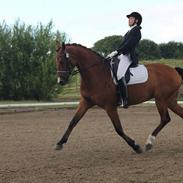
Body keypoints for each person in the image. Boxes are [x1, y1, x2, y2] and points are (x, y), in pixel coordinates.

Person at [107, 12, 142, 108]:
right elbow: (123, 45)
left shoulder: (136, 31)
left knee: (119, 74)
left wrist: (117, 51)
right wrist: (114, 52)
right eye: (129, 18)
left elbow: (129, 45)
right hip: (122, 54)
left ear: (136, 21)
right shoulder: (129, 31)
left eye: (131, 18)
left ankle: (124, 100)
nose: (129, 20)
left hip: (128, 56)